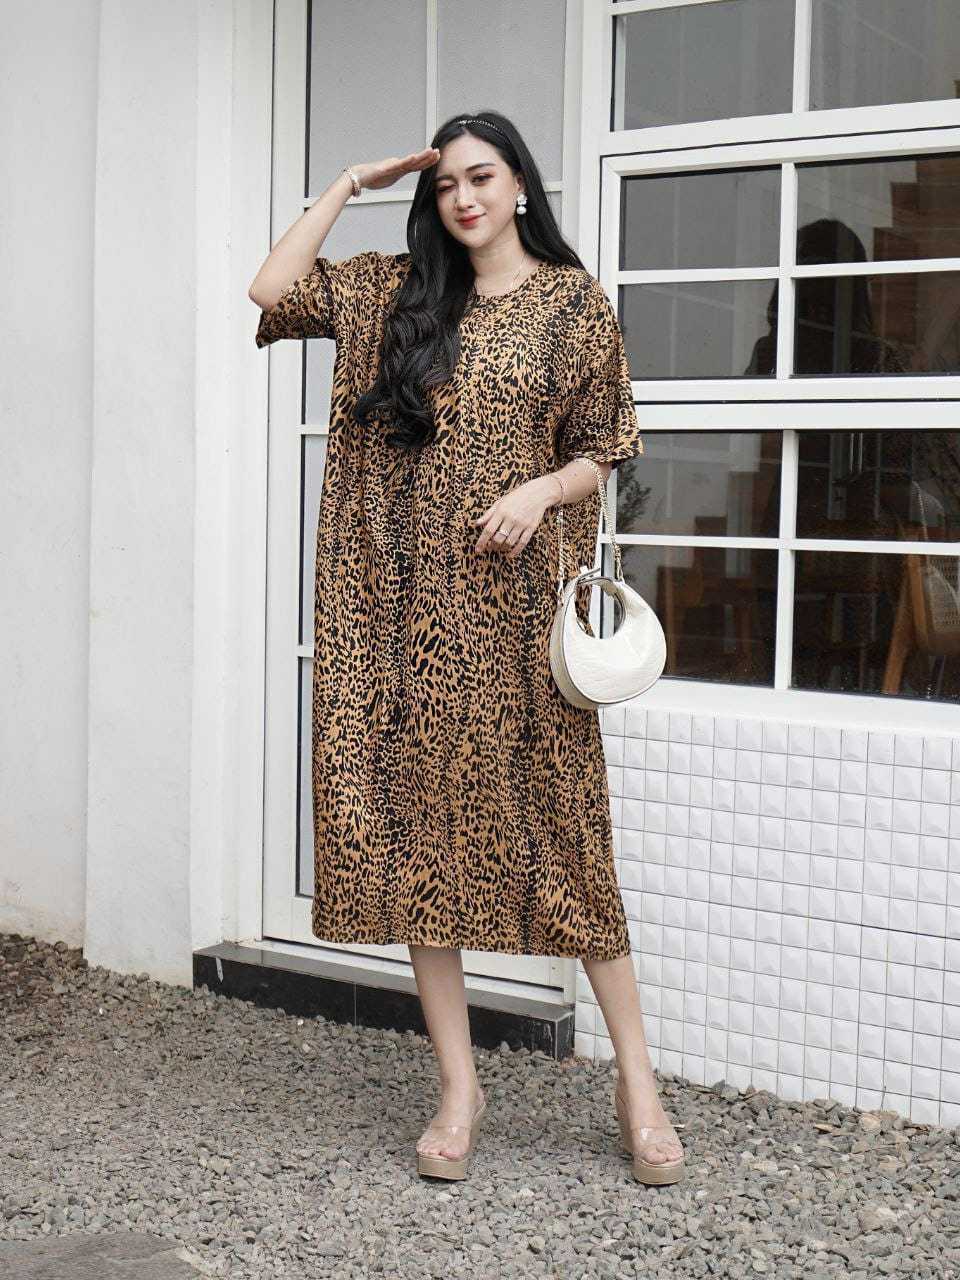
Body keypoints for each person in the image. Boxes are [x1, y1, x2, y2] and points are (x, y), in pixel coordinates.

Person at [248, 110, 685, 1185]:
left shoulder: (572, 304)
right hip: (399, 615)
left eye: (481, 177)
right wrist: (350, 180)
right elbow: (269, 288)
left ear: (519, 184)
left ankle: (638, 1084)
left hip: (515, 618)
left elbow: (608, 445)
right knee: (416, 847)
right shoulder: (399, 296)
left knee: (569, 840)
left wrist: (540, 490)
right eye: (446, 184)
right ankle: (459, 1087)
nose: (464, 198)